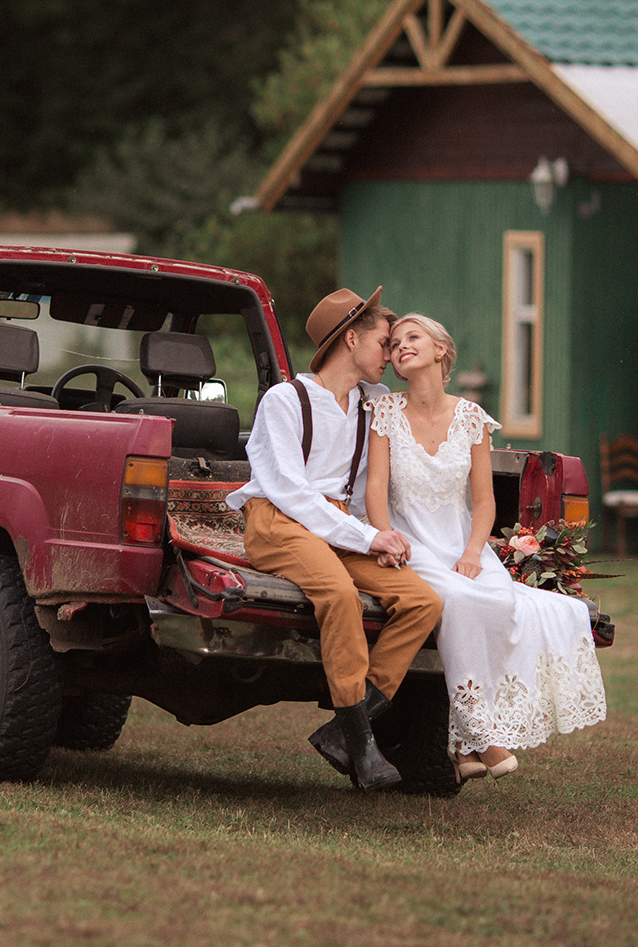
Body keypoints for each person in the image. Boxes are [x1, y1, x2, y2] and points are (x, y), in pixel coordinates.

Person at [363, 313, 606, 780]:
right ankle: (485, 738)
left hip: (462, 542)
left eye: (412, 337)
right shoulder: (386, 413)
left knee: (498, 601)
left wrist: (474, 553)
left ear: (440, 350)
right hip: (410, 543)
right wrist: (383, 537)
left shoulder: (472, 418)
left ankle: (461, 747)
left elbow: (483, 501)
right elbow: (376, 489)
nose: (400, 347)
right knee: (454, 599)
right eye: (394, 343)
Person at [225, 288, 445, 791]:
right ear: (350, 339)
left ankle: (346, 730)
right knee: (340, 595)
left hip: (339, 525)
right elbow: (290, 492)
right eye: (384, 343)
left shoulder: (374, 404)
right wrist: (367, 539)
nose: (391, 355)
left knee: (421, 601)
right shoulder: (286, 400)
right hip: (279, 521)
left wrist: (383, 535)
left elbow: (375, 483)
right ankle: (365, 749)